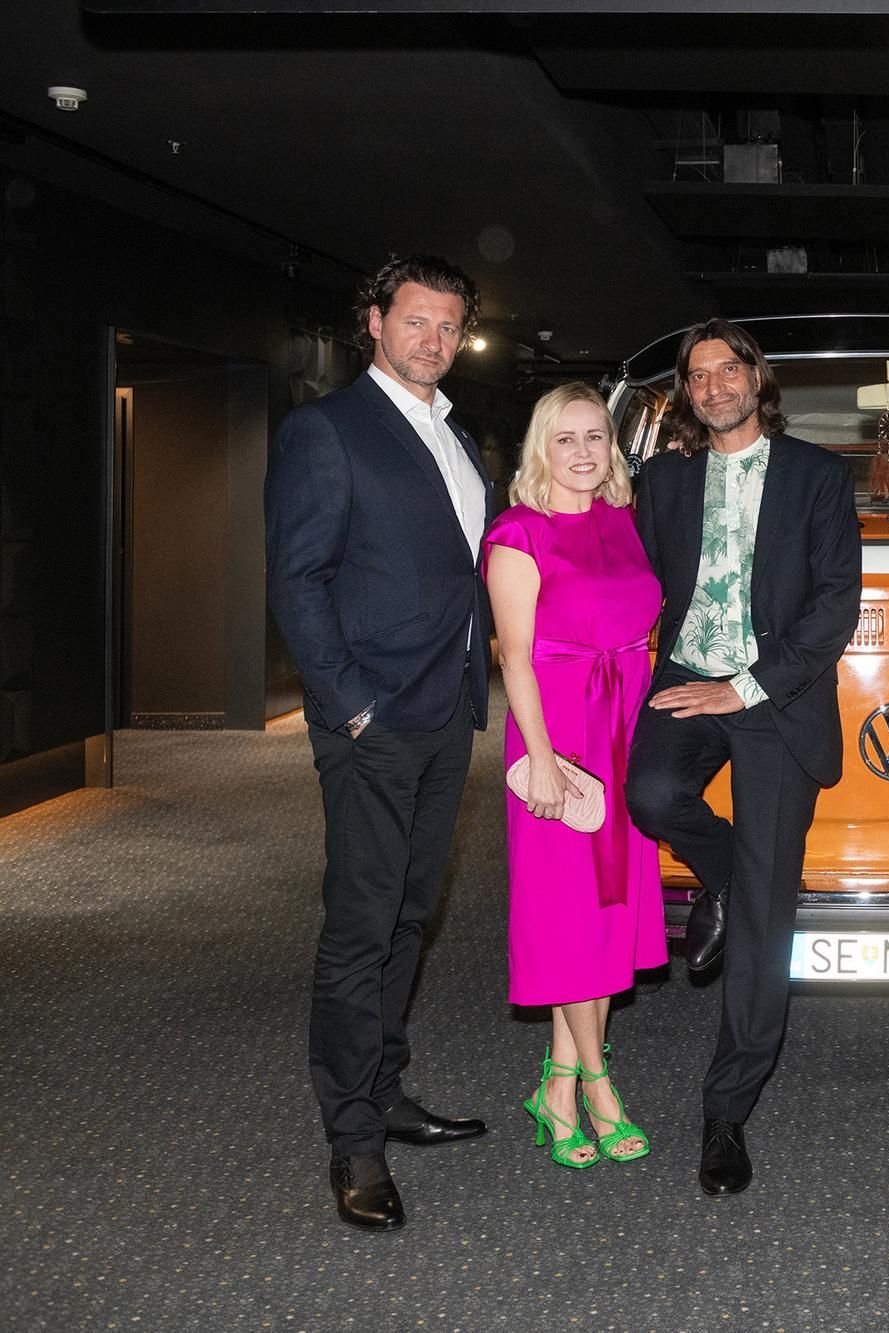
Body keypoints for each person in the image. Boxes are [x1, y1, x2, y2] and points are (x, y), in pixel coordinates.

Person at [265, 254, 492, 1232]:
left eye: (448, 326)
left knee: (409, 915)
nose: (433, 340)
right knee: (361, 927)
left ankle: (385, 1090)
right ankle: (353, 1139)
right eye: (416, 321)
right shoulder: (328, 430)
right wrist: (351, 704)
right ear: (374, 322)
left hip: (444, 713)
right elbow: (297, 578)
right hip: (373, 720)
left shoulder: (457, 435)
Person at [622, 318, 861, 1197]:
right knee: (650, 795)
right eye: (698, 375)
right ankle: (725, 878)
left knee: (766, 918)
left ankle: (727, 1110)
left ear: (757, 379)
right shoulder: (664, 479)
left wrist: (748, 687)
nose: (715, 385)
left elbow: (834, 606)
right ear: (686, 392)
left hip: (776, 698)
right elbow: (625, 571)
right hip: (687, 679)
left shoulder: (817, 475)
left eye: (729, 370)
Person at [484, 383, 667, 1170]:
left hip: (624, 728)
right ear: (541, 449)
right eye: (566, 438)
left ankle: (556, 1088)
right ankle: (598, 1085)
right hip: (557, 733)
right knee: (566, 915)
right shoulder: (517, 532)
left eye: (596, 435)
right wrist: (543, 760)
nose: (584, 451)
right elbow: (516, 660)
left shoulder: (624, 520)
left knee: (607, 913)